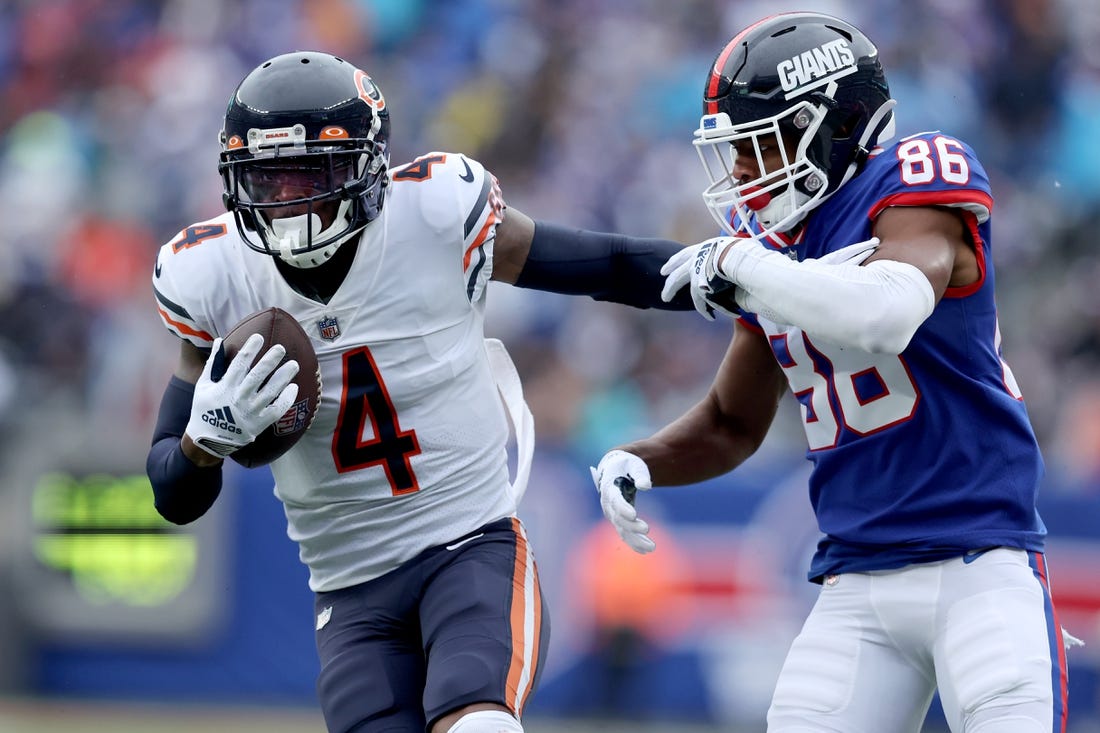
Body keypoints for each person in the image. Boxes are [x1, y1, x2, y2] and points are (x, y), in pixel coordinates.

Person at [145, 51, 694, 733]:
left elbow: (599, 263)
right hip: (350, 594)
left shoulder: (435, 212)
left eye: (312, 172)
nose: (291, 202)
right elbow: (172, 494)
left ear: (368, 166)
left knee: (478, 723)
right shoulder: (210, 275)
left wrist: (722, 273)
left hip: (470, 545)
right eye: (269, 178)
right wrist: (203, 442)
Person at [590, 11, 1075, 733]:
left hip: (981, 565)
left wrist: (747, 268)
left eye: (757, 144)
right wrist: (639, 457)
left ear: (827, 125)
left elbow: (885, 315)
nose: (744, 172)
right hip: (856, 581)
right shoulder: (771, 244)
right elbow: (731, 422)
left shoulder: (913, 181)